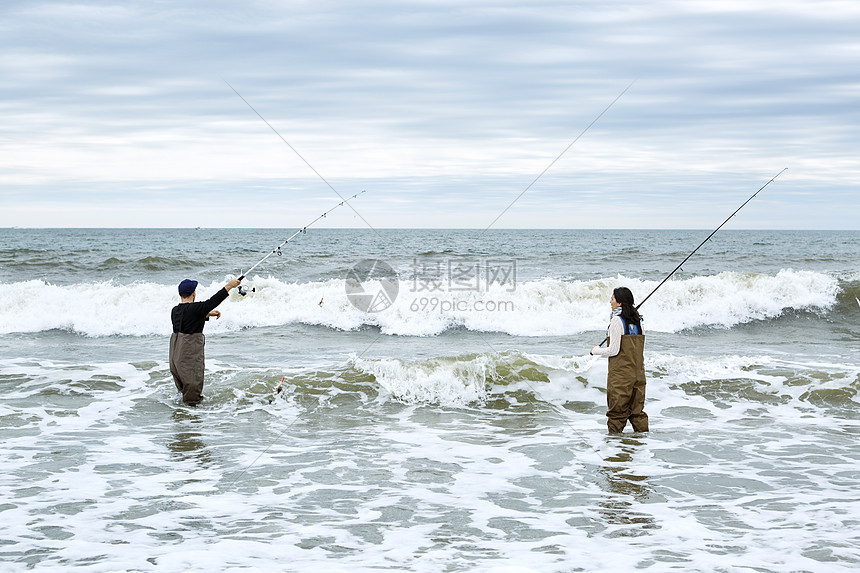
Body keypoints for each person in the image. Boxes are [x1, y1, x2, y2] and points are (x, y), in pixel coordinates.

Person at [169, 277, 241, 405]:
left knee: (183, 386)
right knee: (193, 384)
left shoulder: (175, 310)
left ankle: (183, 414)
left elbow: (188, 317)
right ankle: (192, 417)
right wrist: (229, 286)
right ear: (194, 293)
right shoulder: (196, 308)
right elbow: (212, 302)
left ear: (180, 294)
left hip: (175, 354)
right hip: (189, 351)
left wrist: (207, 314)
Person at [590, 287, 649, 433]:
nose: (610, 302)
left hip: (621, 376)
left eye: (612, 299)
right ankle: (642, 448)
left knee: (617, 415)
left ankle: (615, 452)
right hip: (639, 374)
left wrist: (595, 351)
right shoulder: (639, 321)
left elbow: (613, 350)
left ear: (620, 303)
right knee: (638, 414)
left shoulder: (616, 320)